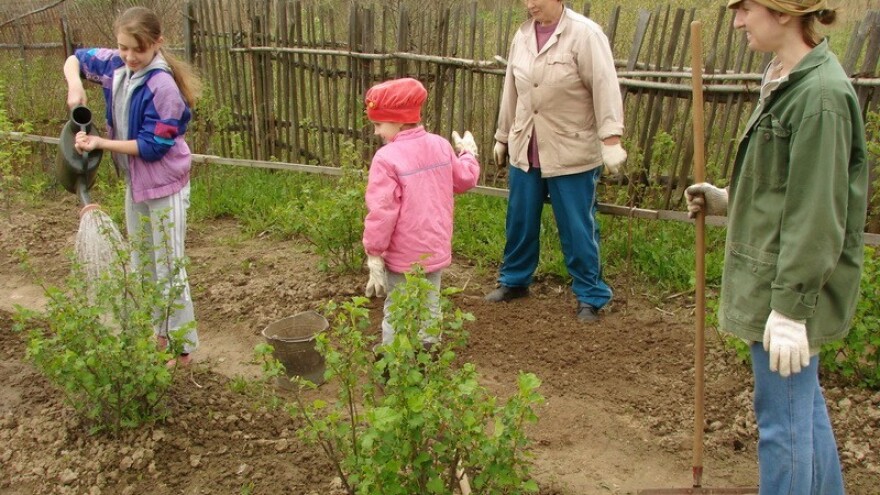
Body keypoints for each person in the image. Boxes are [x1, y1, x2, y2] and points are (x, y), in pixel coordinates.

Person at [685, 0, 867, 492]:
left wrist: (789, 309)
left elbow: (818, 214)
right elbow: (786, 188)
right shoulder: (786, 80)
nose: (738, 21)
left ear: (783, 12)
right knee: (802, 412)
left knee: (783, 427)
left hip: (787, 292)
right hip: (779, 280)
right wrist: (729, 200)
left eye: (746, 8)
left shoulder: (820, 98)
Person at [63, 6, 202, 368]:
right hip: (136, 184)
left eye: (137, 49)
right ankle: (160, 334)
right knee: (143, 263)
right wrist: (75, 85)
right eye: (123, 47)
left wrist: (101, 143)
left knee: (169, 266)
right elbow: (75, 59)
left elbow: (154, 147)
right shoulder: (115, 66)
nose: (129, 56)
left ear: (157, 43)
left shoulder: (163, 87)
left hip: (166, 186)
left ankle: (182, 348)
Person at [485, 0, 628, 323]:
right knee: (520, 220)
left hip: (570, 148)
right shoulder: (522, 35)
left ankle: (590, 295)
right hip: (526, 145)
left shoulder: (586, 35)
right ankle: (515, 280)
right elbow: (511, 89)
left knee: (577, 226)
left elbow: (604, 86)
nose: (530, 4)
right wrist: (502, 136)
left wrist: (611, 139)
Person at [362, 77, 481, 348]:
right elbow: (464, 180)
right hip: (434, 248)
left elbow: (382, 211)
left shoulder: (386, 158)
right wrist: (468, 154)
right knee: (430, 304)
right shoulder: (440, 145)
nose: (377, 132)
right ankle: (429, 354)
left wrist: (374, 253)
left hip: (402, 254)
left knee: (397, 308)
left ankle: (394, 357)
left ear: (398, 121)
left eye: (379, 124)